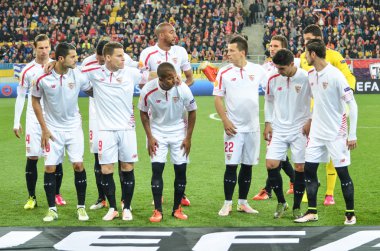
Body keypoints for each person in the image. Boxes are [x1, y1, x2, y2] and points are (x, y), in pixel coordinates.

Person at [294, 39, 358, 225]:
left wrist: (351, 134)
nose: (305, 57)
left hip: (336, 133)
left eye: (306, 53)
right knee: (309, 170)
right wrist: (310, 120)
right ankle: (312, 211)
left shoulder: (336, 75)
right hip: (317, 134)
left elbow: (352, 105)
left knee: (343, 172)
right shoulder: (312, 74)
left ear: (313, 54)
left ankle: (350, 214)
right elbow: (319, 102)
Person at [81, 42, 147, 221]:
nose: (123, 58)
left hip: (127, 129)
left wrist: (174, 76)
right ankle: (112, 207)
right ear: (107, 57)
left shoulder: (131, 73)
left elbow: (151, 76)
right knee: (106, 169)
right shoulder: (94, 73)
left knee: (127, 168)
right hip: (105, 130)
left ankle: (126, 207)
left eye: (123, 55)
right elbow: (74, 76)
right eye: (119, 55)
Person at [32, 42, 92, 222]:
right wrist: (44, 129)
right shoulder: (42, 77)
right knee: (49, 167)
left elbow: (94, 91)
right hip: (52, 129)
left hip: (73, 127)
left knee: (78, 165)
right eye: (72, 57)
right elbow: (35, 101)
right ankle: (52, 209)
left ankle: (81, 208)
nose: (76, 59)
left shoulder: (78, 75)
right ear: (60, 59)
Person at [139, 22, 193, 206]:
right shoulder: (148, 53)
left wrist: (181, 90)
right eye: (171, 32)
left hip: (178, 108)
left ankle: (181, 194)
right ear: (161, 34)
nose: (174, 34)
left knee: (181, 161)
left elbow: (190, 78)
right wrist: (162, 79)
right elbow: (142, 80)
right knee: (158, 162)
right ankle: (158, 195)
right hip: (158, 110)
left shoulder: (181, 52)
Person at [214, 36, 268, 216]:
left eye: (231, 50)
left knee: (247, 166)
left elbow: (270, 90)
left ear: (242, 52)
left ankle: (243, 203)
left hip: (253, 128)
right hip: (233, 128)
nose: (227, 54)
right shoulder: (224, 72)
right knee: (231, 166)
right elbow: (217, 98)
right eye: (227, 50)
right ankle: (227, 203)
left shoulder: (258, 70)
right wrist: (225, 120)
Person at [13, 34, 67, 209]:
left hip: (53, 119)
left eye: (47, 47)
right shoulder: (27, 71)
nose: (44, 51)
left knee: (56, 159)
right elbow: (21, 95)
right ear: (34, 48)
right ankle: (31, 197)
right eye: (41, 48)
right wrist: (16, 121)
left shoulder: (57, 66)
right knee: (33, 157)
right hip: (33, 120)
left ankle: (57, 194)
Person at [139, 62, 197, 223]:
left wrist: (188, 138)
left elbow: (192, 112)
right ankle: (157, 210)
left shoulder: (182, 88)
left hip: (179, 132)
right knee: (157, 169)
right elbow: (143, 113)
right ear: (161, 79)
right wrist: (150, 137)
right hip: (157, 133)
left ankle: (177, 208)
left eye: (175, 76)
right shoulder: (148, 90)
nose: (175, 80)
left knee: (180, 171)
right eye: (170, 78)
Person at [264, 49, 311, 219]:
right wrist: (268, 123)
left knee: (300, 167)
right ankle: (281, 201)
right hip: (279, 128)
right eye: (277, 68)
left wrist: (310, 120)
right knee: (271, 164)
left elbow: (318, 100)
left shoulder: (306, 78)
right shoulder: (273, 79)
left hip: (300, 128)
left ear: (292, 64)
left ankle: (297, 207)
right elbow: (268, 101)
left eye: (282, 68)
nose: (279, 71)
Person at [253, 35, 296, 201]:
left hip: (290, 118)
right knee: (278, 156)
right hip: (275, 118)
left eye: (276, 46)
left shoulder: (293, 66)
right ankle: (293, 181)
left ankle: (268, 189)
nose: (271, 48)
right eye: (270, 45)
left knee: (276, 157)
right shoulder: (265, 68)